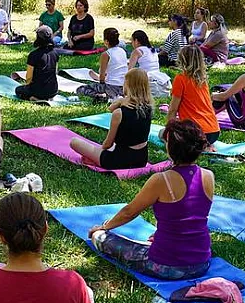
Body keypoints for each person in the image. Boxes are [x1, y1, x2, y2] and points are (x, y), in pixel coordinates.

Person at [88, 119, 214, 279]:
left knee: (99, 238)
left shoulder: (161, 180)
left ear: (170, 148)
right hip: (202, 262)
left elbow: (129, 212)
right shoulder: (209, 176)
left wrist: (104, 228)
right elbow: (190, 216)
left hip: (166, 265)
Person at [70, 69, 154, 170]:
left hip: (118, 161)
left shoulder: (119, 113)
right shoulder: (149, 108)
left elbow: (107, 144)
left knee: (74, 142)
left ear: (128, 85)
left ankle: (96, 161)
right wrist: (121, 101)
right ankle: (95, 160)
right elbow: (110, 108)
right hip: (141, 160)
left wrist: (97, 154)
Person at [168, 46, 220, 146]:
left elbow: (172, 110)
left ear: (181, 60)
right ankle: (206, 144)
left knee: (162, 134)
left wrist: (169, 132)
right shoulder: (202, 80)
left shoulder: (181, 79)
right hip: (214, 131)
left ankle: (201, 144)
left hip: (195, 133)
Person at [78, 28, 128, 100]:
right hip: (123, 87)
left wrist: (100, 82)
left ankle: (101, 96)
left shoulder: (106, 54)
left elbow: (102, 76)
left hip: (111, 86)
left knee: (81, 89)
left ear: (106, 41)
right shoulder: (122, 51)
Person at [16, 26, 60, 101]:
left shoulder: (33, 55)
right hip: (53, 90)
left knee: (18, 90)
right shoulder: (55, 53)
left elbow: (29, 77)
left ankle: (34, 98)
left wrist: (27, 87)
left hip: (38, 91)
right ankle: (46, 97)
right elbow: (55, 72)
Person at [127, 30, 170, 97]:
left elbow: (129, 70)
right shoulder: (152, 49)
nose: (131, 43)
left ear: (136, 41)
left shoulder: (137, 51)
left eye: (132, 41)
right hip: (158, 76)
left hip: (146, 77)